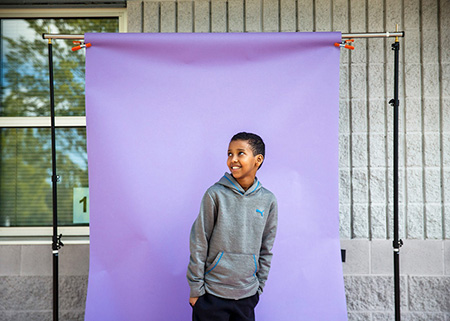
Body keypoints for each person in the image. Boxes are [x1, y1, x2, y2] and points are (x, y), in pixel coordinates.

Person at [187, 132, 278, 321]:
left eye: (240, 153)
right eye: (229, 154)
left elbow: (266, 248)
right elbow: (199, 240)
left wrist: (258, 287)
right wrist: (196, 289)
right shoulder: (215, 195)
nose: (232, 160)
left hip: (247, 296)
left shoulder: (268, 201)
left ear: (258, 160)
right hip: (212, 294)